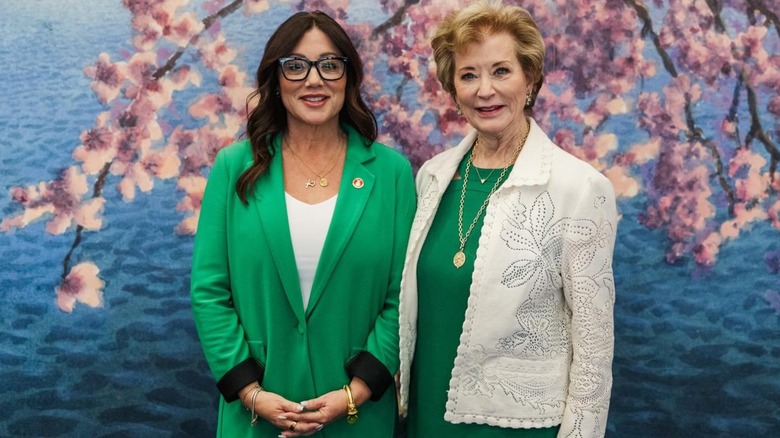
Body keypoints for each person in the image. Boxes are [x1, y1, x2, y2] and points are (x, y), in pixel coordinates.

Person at [190, 11, 415, 438]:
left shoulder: (392, 174)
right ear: (276, 80)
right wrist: (251, 393)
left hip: (355, 416)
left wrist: (357, 392)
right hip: (255, 415)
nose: (314, 80)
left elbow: (401, 297)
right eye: (296, 66)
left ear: (349, 76)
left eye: (330, 65)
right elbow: (209, 290)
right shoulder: (233, 167)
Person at [398, 2, 618, 437]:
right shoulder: (433, 176)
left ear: (530, 79)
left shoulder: (579, 188)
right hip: (428, 415)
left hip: (519, 426)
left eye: (501, 71)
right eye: (468, 75)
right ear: (452, 87)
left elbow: (594, 346)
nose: (484, 90)